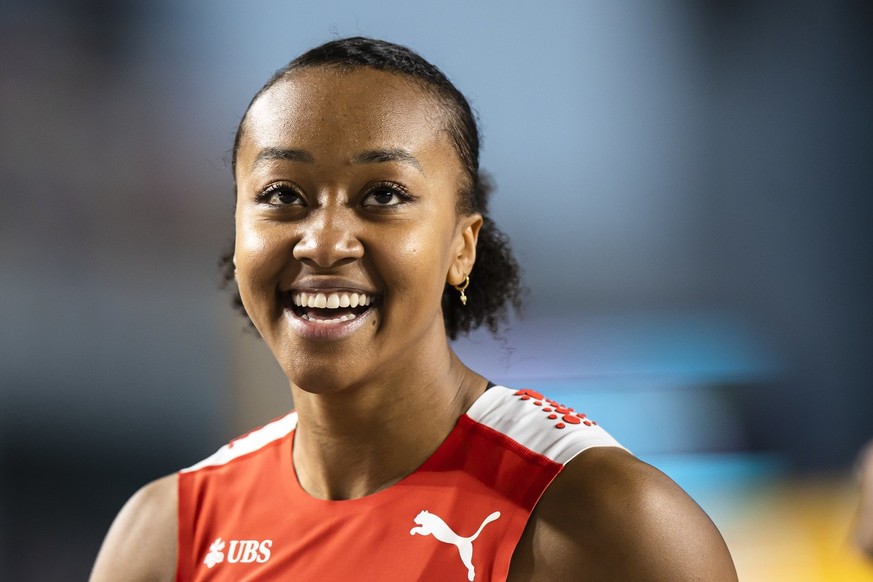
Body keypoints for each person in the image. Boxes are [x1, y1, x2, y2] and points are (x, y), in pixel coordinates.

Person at [90, 37, 737, 581]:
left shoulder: (605, 523)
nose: (322, 240)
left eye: (382, 195)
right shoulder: (166, 537)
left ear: (462, 247)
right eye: (282, 193)